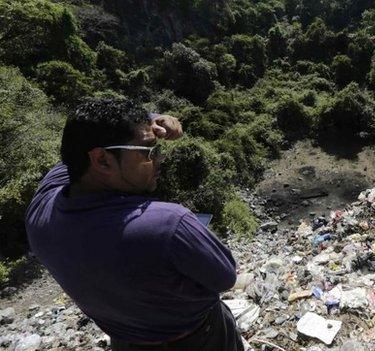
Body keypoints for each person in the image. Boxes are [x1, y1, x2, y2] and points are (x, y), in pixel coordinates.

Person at [25, 98, 244, 351]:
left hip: (125, 342)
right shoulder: (169, 225)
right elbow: (225, 278)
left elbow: (76, 150)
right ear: (103, 160)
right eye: (149, 151)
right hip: (198, 339)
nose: (160, 159)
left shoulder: (41, 210)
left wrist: (149, 120)